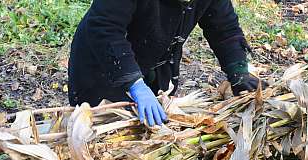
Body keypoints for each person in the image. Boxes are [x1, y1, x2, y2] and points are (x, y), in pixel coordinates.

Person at [68, 0, 262, 127]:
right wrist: (135, 84)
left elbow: (224, 29)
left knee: (150, 134)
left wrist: (239, 71)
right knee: (104, 134)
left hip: (156, 61)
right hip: (102, 64)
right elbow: (104, 27)